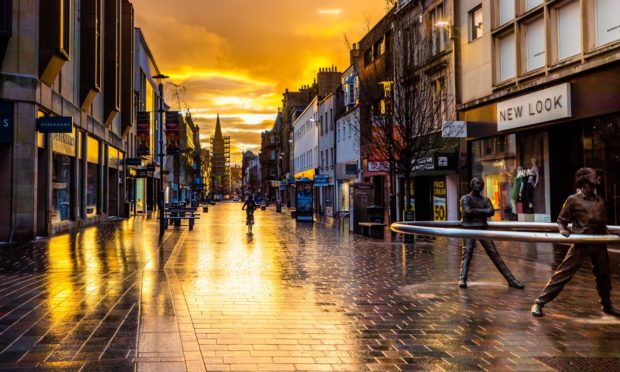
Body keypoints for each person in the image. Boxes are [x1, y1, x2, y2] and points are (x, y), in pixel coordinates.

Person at [531, 168, 620, 317]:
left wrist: (610, 233)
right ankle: (539, 302)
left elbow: (602, 224)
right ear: (585, 180)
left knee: (604, 275)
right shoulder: (573, 200)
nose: (597, 178)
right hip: (581, 243)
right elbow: (561, 220)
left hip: (599, 243)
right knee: (564, 273)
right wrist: (563, 230)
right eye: (594, 176)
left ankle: (607, 304)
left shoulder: (600, 201)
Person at [459, 177, 525, 289]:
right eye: (477, 183)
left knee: (494, 254)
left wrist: (476, 211)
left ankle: (511, 280)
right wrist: (482, 212)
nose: (480, 185)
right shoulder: (465, 198)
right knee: (467, 253)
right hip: (469, 229)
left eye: (481, 184)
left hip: (483, 229)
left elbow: (491, 212)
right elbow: (467, 211)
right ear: (471, 185)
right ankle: (462, 279)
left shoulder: (486, 200)